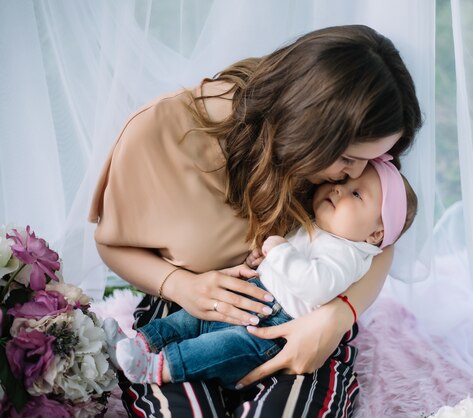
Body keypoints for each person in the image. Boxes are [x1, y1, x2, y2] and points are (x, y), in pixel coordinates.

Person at [89, 24, 422, 417]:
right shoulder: (160, 133)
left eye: (370, 161)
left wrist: (337, 316)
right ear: (308, 128)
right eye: (348, 158)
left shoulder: (351, 173)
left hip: (300, 315)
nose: (354, 175)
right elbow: (110, 241)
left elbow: (380, 238)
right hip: (189, 306)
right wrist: (181, 286)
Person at [104, 158, 418, 389]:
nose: (339, 190)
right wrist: (263, 258)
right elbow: (284, 261)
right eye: (343, 182)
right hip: (255, 294)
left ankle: (155, 368)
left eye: (357, 195)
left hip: (275, 328)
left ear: (376, 234)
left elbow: (316, 286)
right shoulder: (320, 228)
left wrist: (279, 251)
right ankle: (140, 341)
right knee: (190, 318)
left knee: (221, 348)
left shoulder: (351, 255)